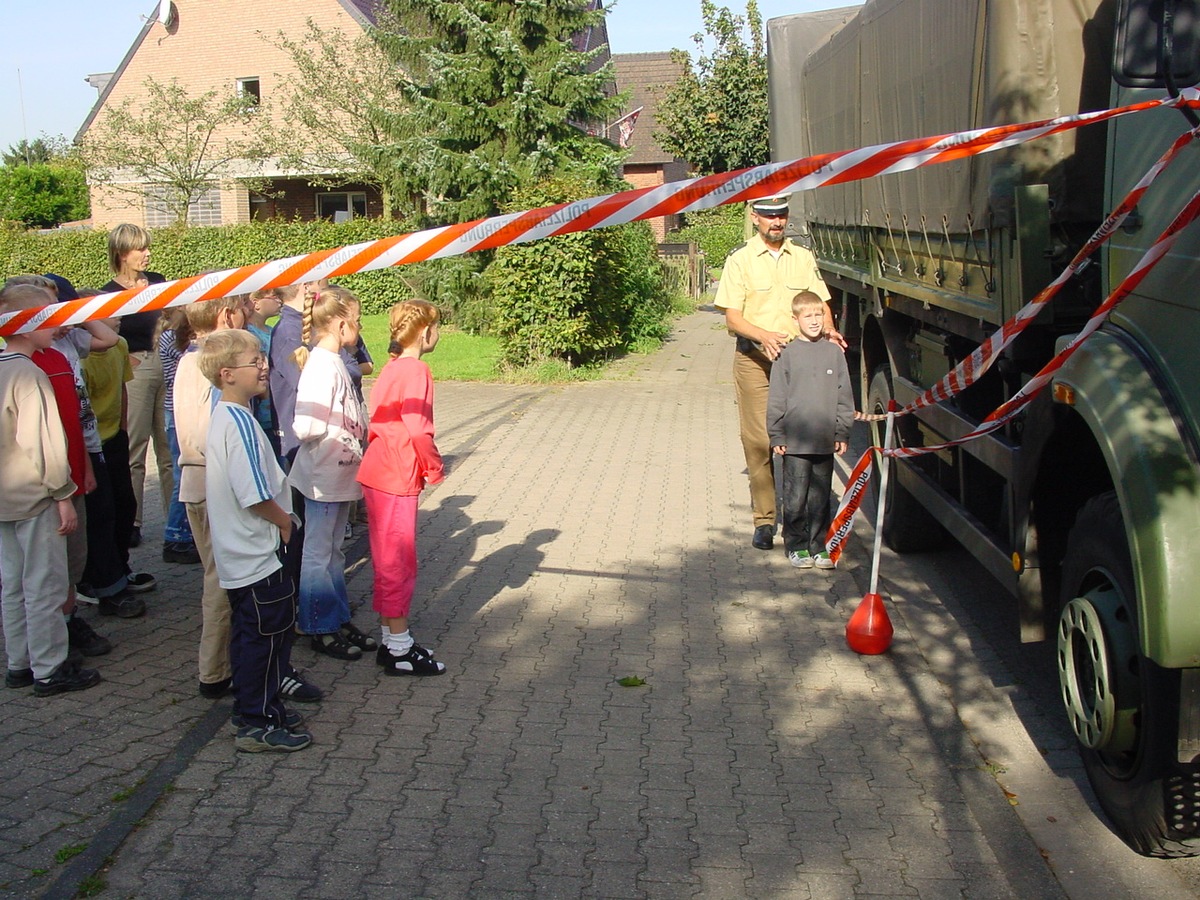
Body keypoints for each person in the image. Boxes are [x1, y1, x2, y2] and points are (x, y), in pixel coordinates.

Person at [198, 329, 311, 752]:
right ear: (227, 374)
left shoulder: (229, 417)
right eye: (255, 362)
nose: (264, 367)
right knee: (263, 640)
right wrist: (285, 524)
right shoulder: (239, 423)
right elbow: (255, 494)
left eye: (262, 359)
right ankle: (256, 720)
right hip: (258, 555)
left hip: (243, 555)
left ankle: (262, 706)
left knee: (256, 636)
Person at [713, 195, 839, 551]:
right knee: (759, 441)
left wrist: (830, 330)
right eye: (769, 216)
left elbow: (819, 304)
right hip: (755, 360)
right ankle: (765, 520)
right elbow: (732, 317)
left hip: (799, 363)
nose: (776, 222)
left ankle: (807, 523)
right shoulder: (740, 260)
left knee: (808, 438)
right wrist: (763, 336)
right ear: (755, 218)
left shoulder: (802, 257)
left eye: (781, 215)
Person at [0, 283, 101, 696]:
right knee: (45, 584)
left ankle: (19, 662)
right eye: (46, 317)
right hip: (37, 495)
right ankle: (49, 667)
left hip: (7, 497)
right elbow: (42, 441)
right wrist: (64, 494)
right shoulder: (28, 373)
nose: (54, 324)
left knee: (12, 583)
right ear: (25, 324)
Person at [357, 300, 447, 677]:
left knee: (386, 559)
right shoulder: (416, 369)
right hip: (397, 472)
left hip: (379, 469)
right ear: (425, 332)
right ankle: (399, 646)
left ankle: (390, 637)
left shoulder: (393, 368)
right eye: (437, 328)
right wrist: (434, 466)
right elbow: (418, 427)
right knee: (398, 561)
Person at [289, 285, 375, 660]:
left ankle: (336, 616)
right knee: (318, 553)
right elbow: (306, 425)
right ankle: (317, 625)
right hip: (323, 476)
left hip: (340, 475)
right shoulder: (321, 366)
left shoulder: (337, 360)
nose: (358, 329)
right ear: (341, 325)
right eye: (356, 322)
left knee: (334, 552)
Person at [767, 291, 855, 569]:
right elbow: (777, 397)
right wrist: (777, 434)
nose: (815, 321)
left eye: (819, 315)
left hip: (824, 438)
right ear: (796, 320)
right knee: (795, 498)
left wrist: (842, 431)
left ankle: (818, 546)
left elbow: (844, 395)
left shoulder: (834, 353)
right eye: (808, 316)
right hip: (795, 440)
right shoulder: (787, 354)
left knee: (820, 497)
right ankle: (796, 545)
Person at [80, 313, 159, 605]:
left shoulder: (121, 346)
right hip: (91, 443)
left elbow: (122, 390)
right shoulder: (82, 357)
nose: (118, 318)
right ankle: (105, 584)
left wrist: (123, 431)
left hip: (113, 437)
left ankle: (120, 568)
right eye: (108, 314)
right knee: (102, 513)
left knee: (125, 504)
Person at [102, 224, 170, 549]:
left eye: (147, 247)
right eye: (140, 249)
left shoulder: (157, 280)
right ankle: (133, 521)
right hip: (137, 366)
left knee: (169, 447)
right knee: (135, 451)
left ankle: (177, 521)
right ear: (121, 253)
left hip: (163, 361)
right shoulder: (109, 292)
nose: (147, 254)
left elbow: (172, 316)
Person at [158, 309, 200, 565]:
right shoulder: (172, 338)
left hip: (183, 413)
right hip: (178, 415)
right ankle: (175, 537)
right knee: (182, 476)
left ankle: (185, 534)